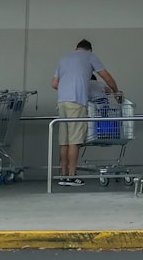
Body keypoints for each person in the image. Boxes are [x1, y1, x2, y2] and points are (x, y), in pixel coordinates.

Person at [51, 39, 119, 187]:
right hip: (76, 102)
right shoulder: (89, 57)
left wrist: (67, 89)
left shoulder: (64, 59)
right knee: (75, 140)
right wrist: (116, 91)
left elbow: (54, 84)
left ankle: (62, 176)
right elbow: (106, 77)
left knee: (64, 141)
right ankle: (72, 176)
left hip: (62, 102)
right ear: (89, 50)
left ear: (76, 48)